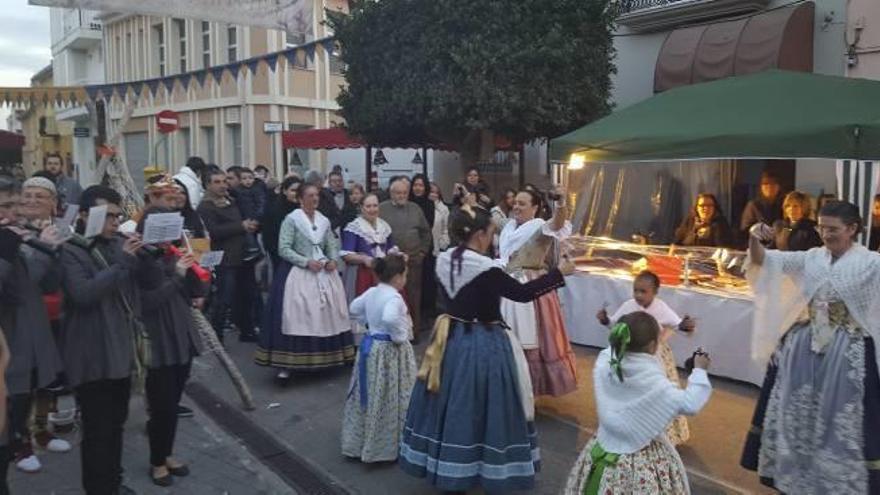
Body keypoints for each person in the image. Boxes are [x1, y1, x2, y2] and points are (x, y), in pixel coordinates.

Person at [399, 205, 576, 492]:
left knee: (451, 402)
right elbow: (522, 293)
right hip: (483, 341)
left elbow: (474, 288)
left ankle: (450, 464)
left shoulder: (445, 259)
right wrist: (559, 274)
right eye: (491, 233)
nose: (492, 239)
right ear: (480, 234)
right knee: (486, 406)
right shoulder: (484, 267)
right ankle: (479, 466)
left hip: (450, 339)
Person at [741, 200, 880, 493]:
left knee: (838, 415)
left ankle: (832, 479)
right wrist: (754, 237)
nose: (825, 234)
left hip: (846, 350)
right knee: (799, 409)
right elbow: (763, 261)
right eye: (821, 227)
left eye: (833, 229)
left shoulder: (871, 263)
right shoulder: (811, 258)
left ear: (853, 229)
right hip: (805, 346)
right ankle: (797, 472)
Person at [562, 312, 712, 494]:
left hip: (604, 442)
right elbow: (690, 403)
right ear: (652, 345)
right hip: (640, 458)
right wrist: (699, 371)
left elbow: (613, 350)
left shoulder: (605, 361)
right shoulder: (654, 382)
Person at [59, 186, 144, 495]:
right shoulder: (70, 249)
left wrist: (152, 252)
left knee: (116, 425)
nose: (114, 222)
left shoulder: (115, 244)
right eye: (106, 216)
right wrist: (123, 263)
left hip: (120, 351)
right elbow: (83, 295)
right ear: (83, 216)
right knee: (97, 431)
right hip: (91, 355)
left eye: (117, 216)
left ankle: (113, 482)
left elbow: (139, 285)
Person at [0, 178, 67, 475]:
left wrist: (55, 251)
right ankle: (18, 440)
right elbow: (20, 285)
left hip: (43, 318)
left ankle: (39, 430)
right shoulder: (13, 236)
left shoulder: (33, 231)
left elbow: (52, 281)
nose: (26, 205)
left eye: (36, 197)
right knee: (18, 388)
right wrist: (43, 250)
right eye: (21, 199)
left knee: (45, 380)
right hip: (14, 326)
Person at [254, 183, 354, 381]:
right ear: (300, 199)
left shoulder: (323, 220)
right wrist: (305, 261)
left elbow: (331, 244)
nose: (314, 199)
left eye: (316, 195)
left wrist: (333, 259)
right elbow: (284, 248)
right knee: (297, 313)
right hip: (298, 273)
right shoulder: (291, 220)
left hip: (323, 271)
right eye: (310, 196)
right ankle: (288, 364)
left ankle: (328, 358)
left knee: (328, 313)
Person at [135, 207, 204, 486]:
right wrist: (176, 275)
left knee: (172, 403)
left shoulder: (171, 251)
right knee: (161, 404)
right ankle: (156, 461)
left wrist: (192, 267)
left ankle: (166, 452)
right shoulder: (138, 257)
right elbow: (146, 302)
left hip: (181, 333)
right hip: (158, 336)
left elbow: (197, 293)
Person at [596, 270, 697, 445]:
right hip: (629, 356)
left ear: (655, 292)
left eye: (643, 291)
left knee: (655, 391)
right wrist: (605, 320)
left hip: (654, 357)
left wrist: (685, 325)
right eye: (636, 290)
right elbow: (615, 325)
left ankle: (659, 432)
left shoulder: (661, 307)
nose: (638, 295)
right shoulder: (628, 306)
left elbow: (677, 323)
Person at [498, 188, 578, 396]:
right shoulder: (508, 228)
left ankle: (530, 389)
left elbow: (558, 223)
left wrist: (561, 204)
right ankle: (511, 386)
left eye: (522, 204)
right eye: (515, 202)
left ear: (535, 208)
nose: (516, 206)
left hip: (532, 286)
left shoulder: (540, 227)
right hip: (507, 285)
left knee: (535, 338)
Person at [341, 254, 416, 463]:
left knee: (373, 390)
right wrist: (399, 335)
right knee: (391, 392)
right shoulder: (394, 297)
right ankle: (387, 444)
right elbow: (391, 318)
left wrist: (369, 326)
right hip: (390, 351)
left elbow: (354, 308)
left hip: (371, 347)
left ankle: (361, 441)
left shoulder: (372, 292)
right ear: (398, 277)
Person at [198, 169, 259, 342]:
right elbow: (213, 231)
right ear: (208, 185)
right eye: (217, 182)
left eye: (224, 181)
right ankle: (217, 335)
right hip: (225, 257)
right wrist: (241, 226)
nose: (222, 185)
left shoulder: (231, 200)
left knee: (247, 295)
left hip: (243, 255)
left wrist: (249, 226)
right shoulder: (205, 206)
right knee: (224, 298)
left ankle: (247, 330)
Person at [379, 177, 432, 337]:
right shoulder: (382, 208)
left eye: (404, 193)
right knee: (391, 296)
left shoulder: (415, 208)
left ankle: (413, 332)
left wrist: (422, 252)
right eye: (398, 193)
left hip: (414, 259)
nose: (402, 196)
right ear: (391, 193)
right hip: (391, 261)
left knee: (414, 296)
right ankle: (391, 332)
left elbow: (426, 232)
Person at [340, 193, 395, 303]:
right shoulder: (354, 228)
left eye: (375, 206)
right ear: (361, 208)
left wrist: (398, 255)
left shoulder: (384, 226)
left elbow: (390, 248)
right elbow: (346, 255)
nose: (372, 209)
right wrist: (363, 259)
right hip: (362, 275)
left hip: (383, 273)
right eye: (368, 206)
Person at [262, 175, 302, 266]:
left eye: (299, 191)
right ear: (284, 191)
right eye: (293, 190)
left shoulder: (304, 208)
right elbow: (269, 236)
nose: (297, 194)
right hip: (280, 255)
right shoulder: (274, 209)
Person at [234, 167, 265, 262]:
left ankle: (255, 249)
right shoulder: (237, 191)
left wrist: (257, 218)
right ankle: (252, 248)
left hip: (254, 217)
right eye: (244, 178)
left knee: (251, 233)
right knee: (247, 232)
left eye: (250, 178)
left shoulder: (257, 190)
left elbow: (261, 204)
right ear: (240, 180)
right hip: (243, 216)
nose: (248, 181)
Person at [740, 170, 784, 236]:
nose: (769, 187)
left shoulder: (785, 205)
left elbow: (790, 226)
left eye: (773, 183)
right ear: (761, 187)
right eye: (766, 184)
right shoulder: (754, 205)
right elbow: (745, 230)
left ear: (779, 186)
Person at [428, 182, 449, 257]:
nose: (434, 195)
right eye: (431, 192)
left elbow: (446, 228)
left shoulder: (444, 209)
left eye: (436, 193)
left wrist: (444, 243)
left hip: (438, 248)